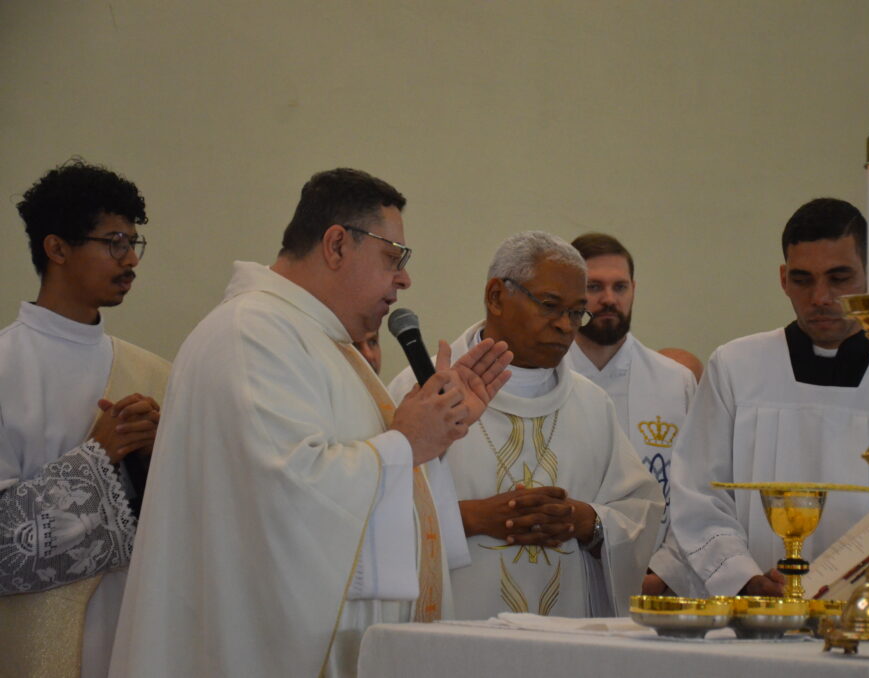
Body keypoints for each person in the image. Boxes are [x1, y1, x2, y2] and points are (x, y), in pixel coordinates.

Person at [108, 168, 512, 678]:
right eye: (393, 257)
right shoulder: (252, 334)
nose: (404, 279)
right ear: (337, 244)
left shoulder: (314, 339)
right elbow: (285, 494)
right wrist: (406, 444)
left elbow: (358, 477)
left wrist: (436, 434)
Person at [670, 197, 869, 598]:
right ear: (783, 278)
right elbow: (698, 493)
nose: (820, 297)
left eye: (839, 278)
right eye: (803, 279)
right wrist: (745, 578)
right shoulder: (735, 368)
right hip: (755, 614)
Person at [391, 231, 662, 619]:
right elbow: (373, 514)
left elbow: (639, 510)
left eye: (576, 311)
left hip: (567, 645)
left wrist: (586, 520)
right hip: (456, 642)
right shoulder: (419, 390)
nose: (566, 327)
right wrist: (472, 518)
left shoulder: (591, 404)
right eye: (551, 306)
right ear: (496, 297)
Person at [0, 160, 168, 678]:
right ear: (57, 248)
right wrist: (98, 455)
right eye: (114, 242)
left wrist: (159, 455)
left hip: (143, 633)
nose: (130, 260)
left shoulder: (157, 372)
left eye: (133, 244)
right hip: (33, 639)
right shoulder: (6, 367)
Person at [561, 233, 699, 596]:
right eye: (594, 287)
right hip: (563, 581)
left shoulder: (676, 383)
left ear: (634, 289)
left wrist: (664, 574)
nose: (609, 299)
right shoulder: (546, 378)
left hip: (656, 585)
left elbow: (697, 493)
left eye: (620, 286)